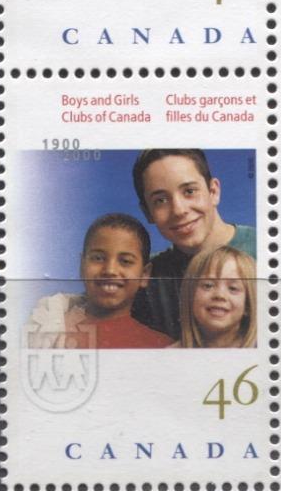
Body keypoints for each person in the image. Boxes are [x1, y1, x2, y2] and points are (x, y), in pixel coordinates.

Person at [131, 149, 256, 340]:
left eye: (189, 191)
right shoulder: (146, 276)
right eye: (160, 200)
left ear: (213, 192)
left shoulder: (265, 249)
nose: (179, 210)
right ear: (147, 212)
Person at [28, 213, 171, 349]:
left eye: (125, 261)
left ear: (144, 275)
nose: (110, 270)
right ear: (82, 265)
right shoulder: (47, 329)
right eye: (98, 258)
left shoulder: (161, 347)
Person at [177, 245, 257, 348]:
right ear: (190, 296)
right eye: (208, 285)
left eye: (233, 288)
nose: (220, 295)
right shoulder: (171, 353)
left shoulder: (265, 350)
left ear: (248, 305)